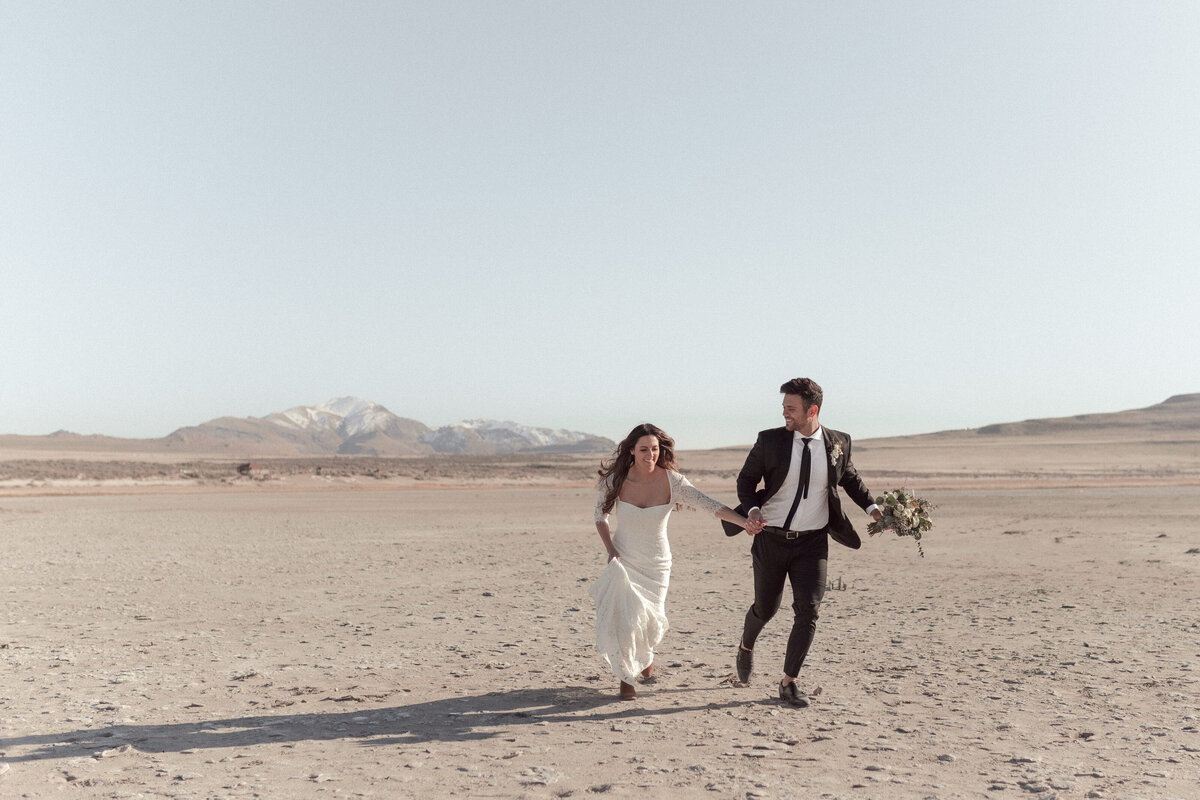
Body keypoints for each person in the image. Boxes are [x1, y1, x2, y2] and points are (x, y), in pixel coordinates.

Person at [726, 378, 883, 708]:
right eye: (784, 407)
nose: (784, 413)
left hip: (813, 542)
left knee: (809, 610)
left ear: (812, 411)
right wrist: (752, 510)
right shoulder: (770, 441)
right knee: (765, 609)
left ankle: (788, 682)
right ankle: (746, 645)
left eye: (791, 408)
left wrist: (872, 508)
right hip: (771, 539)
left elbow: (850, 478)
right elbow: (746, 480)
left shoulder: (838, 442)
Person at [590, 423, 758, 700]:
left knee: (649, 619)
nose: (650, 455)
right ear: (632, 451)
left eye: (654, 449)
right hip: (624, 557)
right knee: (625, 619)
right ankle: (625, 679)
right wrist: (610, 550)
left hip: (656, 564)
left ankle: (645, 659)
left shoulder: (673, 482)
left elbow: (709, 505)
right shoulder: (615, 481)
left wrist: (744, 522)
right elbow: (600, 517)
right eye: (644, 449)